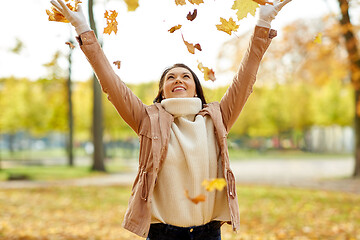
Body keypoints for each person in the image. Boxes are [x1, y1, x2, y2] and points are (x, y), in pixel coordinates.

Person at [50, 0, 292, 239]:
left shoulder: (217, 118)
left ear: (195, 89)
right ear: (162, 91)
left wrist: (263, 22)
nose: (178, 79)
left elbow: (245, 79)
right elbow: (111, 84)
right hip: (161, 234)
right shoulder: (148, 120)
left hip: (208, 233)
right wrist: (83, 29)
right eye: (171, 77)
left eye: (186, 76)